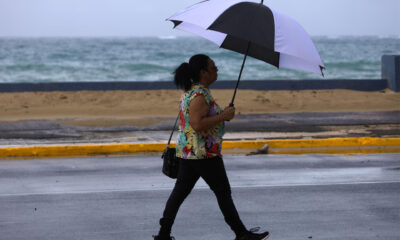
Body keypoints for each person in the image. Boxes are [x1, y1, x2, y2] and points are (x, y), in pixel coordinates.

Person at [153, 54, 269, 240]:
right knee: (223, 193)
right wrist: (223, 116)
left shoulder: (190, 91)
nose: (217, 70)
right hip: (203, 153)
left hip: (188, 152)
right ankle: (241, 234)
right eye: (213, 67)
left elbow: (196, 122)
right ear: (203, 72)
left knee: (179, 194)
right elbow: (198, 125)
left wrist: (223, 114)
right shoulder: (199, 95)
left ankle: (163, 234)